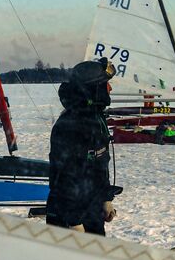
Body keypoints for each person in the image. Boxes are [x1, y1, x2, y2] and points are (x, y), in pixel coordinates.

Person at [45, 58, 121, 234]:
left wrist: (105, 199)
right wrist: (74, 221)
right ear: (94, 88)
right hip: (68, 215)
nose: (110, 89)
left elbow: (99, 165)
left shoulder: (96, 119)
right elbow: (64, 176)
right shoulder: (70, 125)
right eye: (106, 84)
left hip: (91, 209)